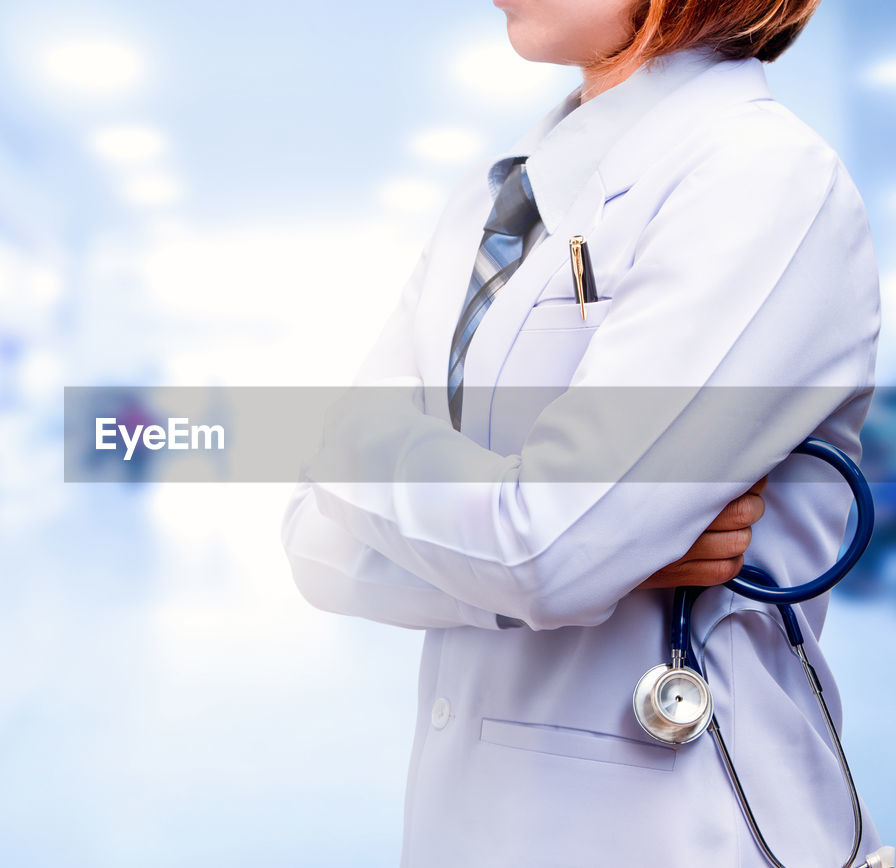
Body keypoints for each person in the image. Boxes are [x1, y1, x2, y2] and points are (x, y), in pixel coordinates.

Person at [281, 0, 883, 864]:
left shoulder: (760, 177)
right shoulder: (493, 201)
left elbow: (545, 549)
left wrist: (358, 446)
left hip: (686, 826)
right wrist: (569, 554)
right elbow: (313, 543)